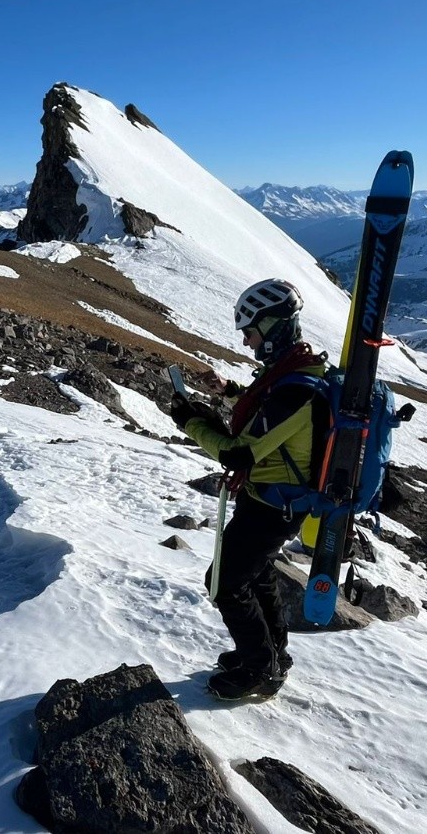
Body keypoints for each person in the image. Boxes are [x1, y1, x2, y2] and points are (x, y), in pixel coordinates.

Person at [169, 278, 330, 700]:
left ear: (274, 326)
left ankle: (260, 670)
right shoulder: (294, 372)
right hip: (268, 496)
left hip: (273, 504)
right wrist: (229, 392)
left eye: (251, 332)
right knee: (255, 575)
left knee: (223, 582)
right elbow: (266, 409)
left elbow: (239, 453)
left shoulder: (298, 387)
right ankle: (272, 653)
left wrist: (191, 422)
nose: (246, 342)